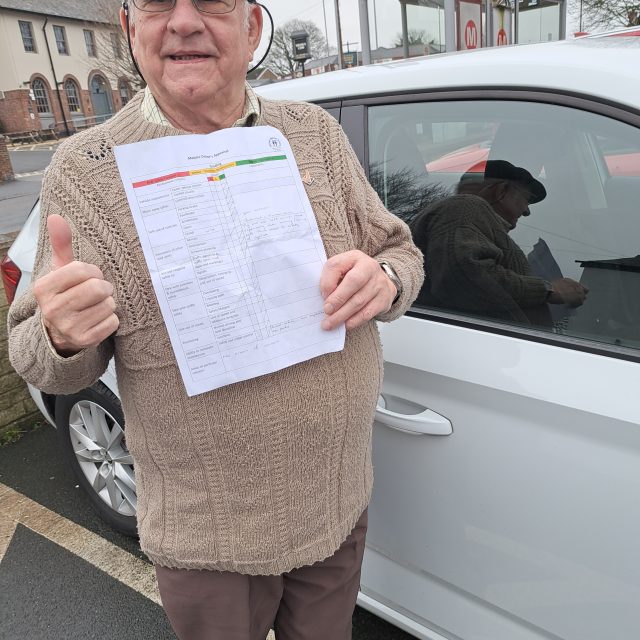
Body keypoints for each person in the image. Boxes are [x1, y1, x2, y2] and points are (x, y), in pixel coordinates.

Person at [7, 1, 423, 638]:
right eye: (157, 4)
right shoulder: (87, 168)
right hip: (210, 539)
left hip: (334, 501)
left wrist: (387, 280)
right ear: (129, 27)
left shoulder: (311, 133)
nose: (182, 22)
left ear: (252, 27)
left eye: (210, 2)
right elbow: (39, 359)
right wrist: (61, 335)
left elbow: (401, 251)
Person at [411, 160, 587, 326]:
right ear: (501, 191)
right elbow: (465, 279)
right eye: (526, 199)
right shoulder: (465, 207)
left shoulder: (468, 219)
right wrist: (549, 290)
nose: (526, 211)